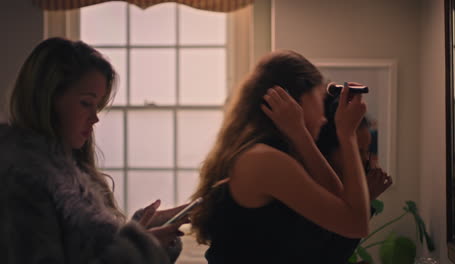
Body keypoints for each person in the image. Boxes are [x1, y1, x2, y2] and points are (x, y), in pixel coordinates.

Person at [0, 37, 187, 264]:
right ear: (48, 99)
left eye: (97, 106)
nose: (95, 118)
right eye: (86, 103)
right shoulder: (21, 177)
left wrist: (140, 229)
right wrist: (144, 247)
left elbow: (89, 250)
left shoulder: (70, 173)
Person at [190, 50, 370, 263]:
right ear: (297, 98)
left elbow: (336, 195)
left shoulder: (268, 154)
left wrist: (300, 134)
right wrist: (347, 134)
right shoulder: (263, 160)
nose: (323, 118)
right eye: (320, 99)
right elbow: (356, 224)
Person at [316, 93, 393, 264]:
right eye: (357, 151)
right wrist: (365, 200)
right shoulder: (309, 190)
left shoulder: (337, 189)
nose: (365, 161)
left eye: (367, 151)